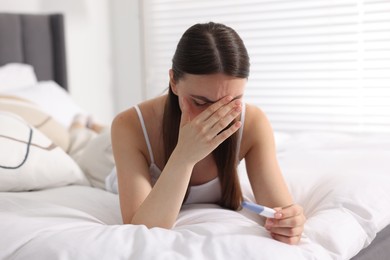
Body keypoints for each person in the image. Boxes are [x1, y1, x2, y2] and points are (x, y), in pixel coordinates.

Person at [109, 22, 306, 244]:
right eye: (201, 102)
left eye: (232, 101)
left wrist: (290, 222)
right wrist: (184, 156)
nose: (216, 115)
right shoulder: (128, 126)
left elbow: (280, 210)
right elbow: (143, 229)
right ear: (174, 81)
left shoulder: (253, 122)